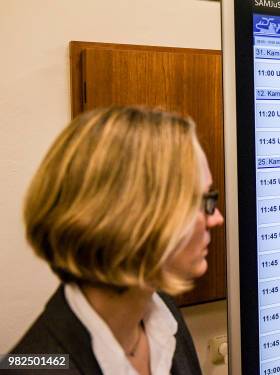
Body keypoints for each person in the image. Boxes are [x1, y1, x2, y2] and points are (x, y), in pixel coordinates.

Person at [8, 106, 224, 375]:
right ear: (134, 218)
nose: (217, 218)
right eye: (203, 201)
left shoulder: (161, 313)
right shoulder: (34, 367)